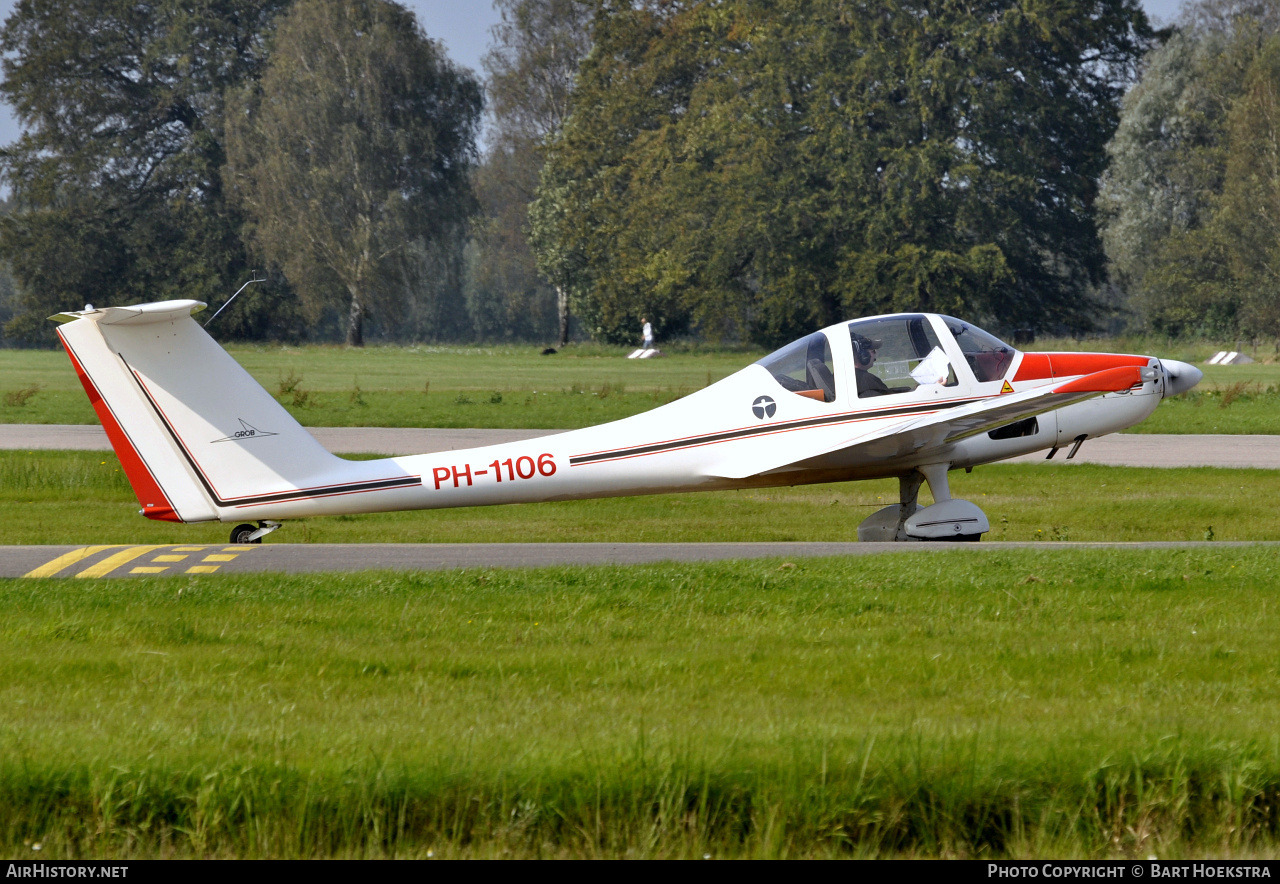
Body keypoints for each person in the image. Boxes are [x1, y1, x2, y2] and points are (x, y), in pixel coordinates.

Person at [852, 332, 890, 397]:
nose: (875, 355)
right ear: (863, 355)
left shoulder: (847, 377)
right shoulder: (868, 380)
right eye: (873, 351)